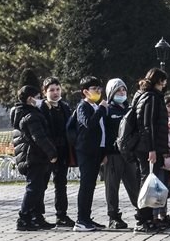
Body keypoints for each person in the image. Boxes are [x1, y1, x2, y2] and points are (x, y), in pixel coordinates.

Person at [11, 85, 57, 231]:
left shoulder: (27, 112)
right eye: (37, 97)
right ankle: (24, 217)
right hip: (34, 157)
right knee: (34, 188)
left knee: (39, 188)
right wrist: (52, 153)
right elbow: (39, 137)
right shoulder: (31, 116)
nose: (40, 100)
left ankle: (36, 216)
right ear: (30, 99)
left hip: (34, 156)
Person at [130, 68, 170, 233]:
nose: (165, 84)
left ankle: (147, 218)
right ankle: (142, 218)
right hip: (147, 148)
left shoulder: (144, 95)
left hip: (148, 146)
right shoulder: (152, 98)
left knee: (148, 182)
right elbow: (149, 125)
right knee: (146, 183)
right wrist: (152, 149)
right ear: (159, 81)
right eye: (163, 81)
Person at [102, 78, 139, 230]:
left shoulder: (129, 109)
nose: (122, 93)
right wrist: (103, 153)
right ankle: (113, 217)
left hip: (129, 155)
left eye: (123, 90)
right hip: (113, 155)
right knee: (112, 187)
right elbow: (102, 133)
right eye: (118, 90)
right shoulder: (107, 110)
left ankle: (142, 212)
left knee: (135, 186)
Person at [37, 77, 74, 228]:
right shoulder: (42, 108)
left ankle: (62, 215)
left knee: (61, 184)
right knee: (41, 184)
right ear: (44, 92)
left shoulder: (64, 107)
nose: (55, 93)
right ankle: (37, 214)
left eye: (57, 89)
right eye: (51, 90)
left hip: (62, 151)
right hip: (46, 153)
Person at [72, 76, 107, 232]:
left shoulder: (95, 107)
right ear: (85, 92)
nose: (98, 91)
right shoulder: (83, 107)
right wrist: (101, 109)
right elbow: (89, 124)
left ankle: (87, 218)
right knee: (86, 185)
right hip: (86, 151)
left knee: (91, 186)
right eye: (94, 89)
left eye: (99, 89)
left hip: (96, 151)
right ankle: (80, 219)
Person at [153, 95, 170, 229]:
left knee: (165, 190)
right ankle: (154, 217)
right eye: (168, 106)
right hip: (161, 160)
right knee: (157, 189)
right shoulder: (160, 123)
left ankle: (163, 216)